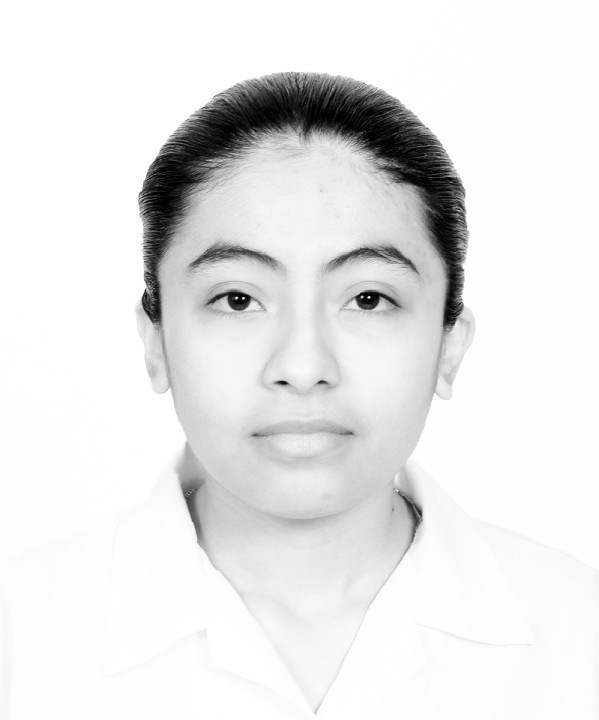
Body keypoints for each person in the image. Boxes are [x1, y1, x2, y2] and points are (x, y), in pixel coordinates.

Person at [0, 72, 597, 720]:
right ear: (155, 341)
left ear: (448, 345)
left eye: (368, 298)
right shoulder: (21, 637)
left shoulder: (578, 634)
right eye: (237, 299)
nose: (304, 367)